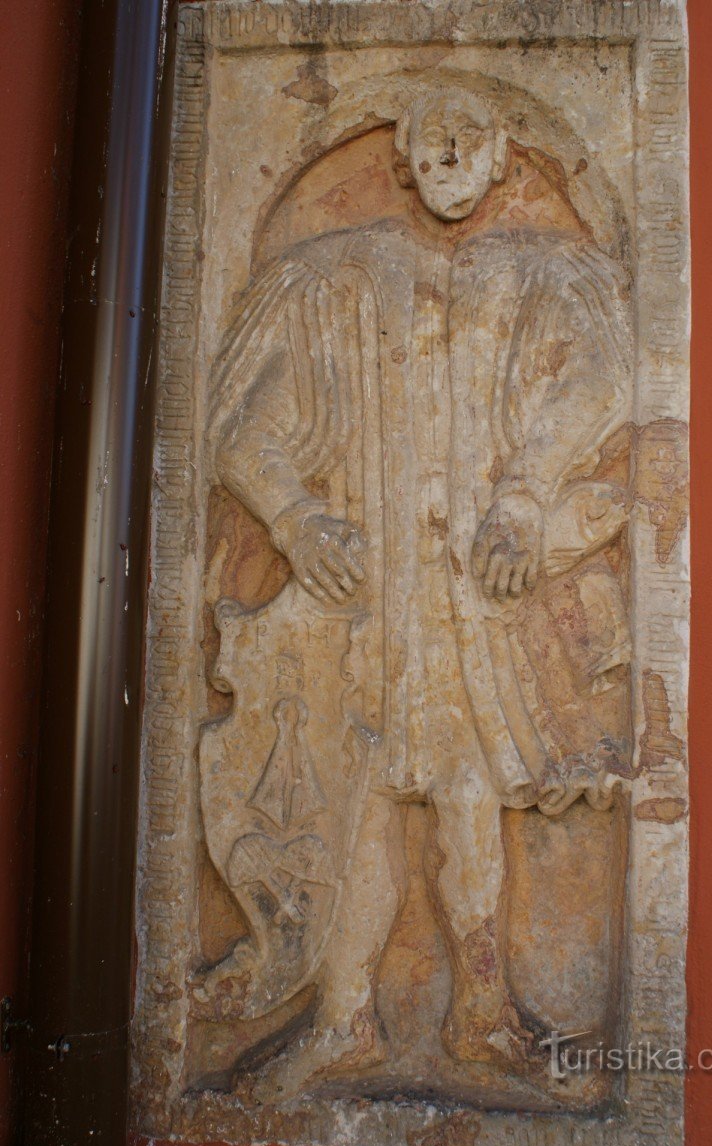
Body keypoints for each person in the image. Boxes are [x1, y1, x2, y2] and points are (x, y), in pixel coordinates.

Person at [206, 86, 632, 1086]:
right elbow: (243, 434)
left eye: (467, 140)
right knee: (360, 799)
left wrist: (524, 496)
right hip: (363, 600)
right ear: (399, 160)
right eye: (426, 143)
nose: (445, 155)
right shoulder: (336, 276)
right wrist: (298, 519)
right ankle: (345, 1019)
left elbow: (601, 384)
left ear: (501, 161)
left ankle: (480, 1012)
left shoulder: (543, 272)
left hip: (480, 597)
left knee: (468, 790)